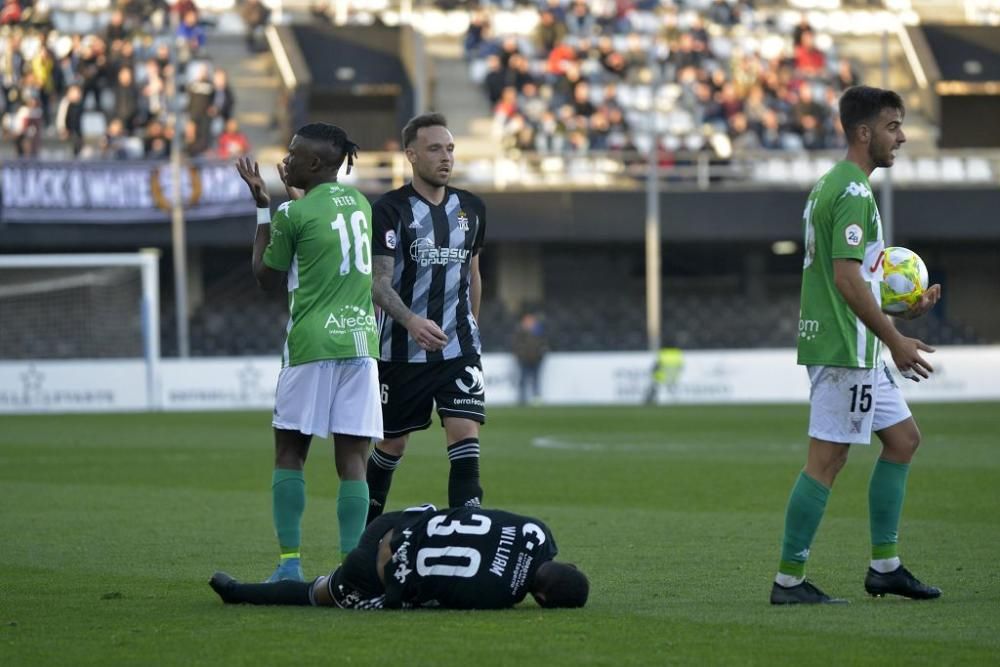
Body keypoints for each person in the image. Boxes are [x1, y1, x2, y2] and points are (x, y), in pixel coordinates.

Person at [770, 86, 943, 605]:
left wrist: (899, 312)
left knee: (904, 440)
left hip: (858, 345)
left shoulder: (836, 186)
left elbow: (857, 278)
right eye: (893, 126)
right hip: (846, 348)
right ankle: (788, 580)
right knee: (827, 460)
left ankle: (885, 567)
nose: (903, 136)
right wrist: (895, 339)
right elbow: (845, 280)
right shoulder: (850, 192)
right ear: (864, 133)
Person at [234, 122, 382, 584]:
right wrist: (289, 199)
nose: (288, 159)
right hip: (361, 344)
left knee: (290, 453)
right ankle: (350, 571)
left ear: (314, 163)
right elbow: (319, 222)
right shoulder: (359, 203)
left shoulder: (292, 216)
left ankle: (289, 566)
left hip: (312, 344)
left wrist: (263, 210)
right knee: (353, 462)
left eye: (295, 153)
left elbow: (265, 277)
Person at [365, 113, 487, 524]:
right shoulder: (389, 210)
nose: (445, 157)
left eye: (450, 148)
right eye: (435, 148)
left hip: (459, 350)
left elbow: (473, 274)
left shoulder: (471, 208)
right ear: (411, 155)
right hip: (401, 352)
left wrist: (469, 329)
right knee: (391, 447)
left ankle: (466, 534)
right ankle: (365, 535)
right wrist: (411, 322)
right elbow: (378, 283)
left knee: (465, 437)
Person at [210, 505, 589, 610]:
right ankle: (237, 591)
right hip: (373, 571)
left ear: (567, 564)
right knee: (317, 593)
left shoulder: (537, 532)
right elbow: (433, 597)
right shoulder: (500, 596)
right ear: (541, 600)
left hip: (390, 522)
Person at [511, 311, 547, 405]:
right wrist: (520, 355)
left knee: (536, 379)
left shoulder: (538, 331)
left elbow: (543, 344)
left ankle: (536, 398)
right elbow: (515, 344)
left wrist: (540, 355)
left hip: (536, 359)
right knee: (523, 379)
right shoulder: (519, 331)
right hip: (524, 360)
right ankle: (522, 398)